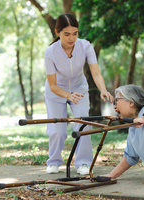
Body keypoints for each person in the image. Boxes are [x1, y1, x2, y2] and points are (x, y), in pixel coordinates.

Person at [44, 14, 113, 174]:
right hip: (56, 92)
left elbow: (95, 73)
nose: (71, 38)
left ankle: (83, 163)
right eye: (66, 34)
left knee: (83, 123)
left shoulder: (85, 46)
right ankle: (53, 161)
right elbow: (52, 85)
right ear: (57, 33)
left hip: (78, 89)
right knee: (57, 129)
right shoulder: (50, 52)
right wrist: (67, 95)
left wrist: (103, 90)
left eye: (75, 33)